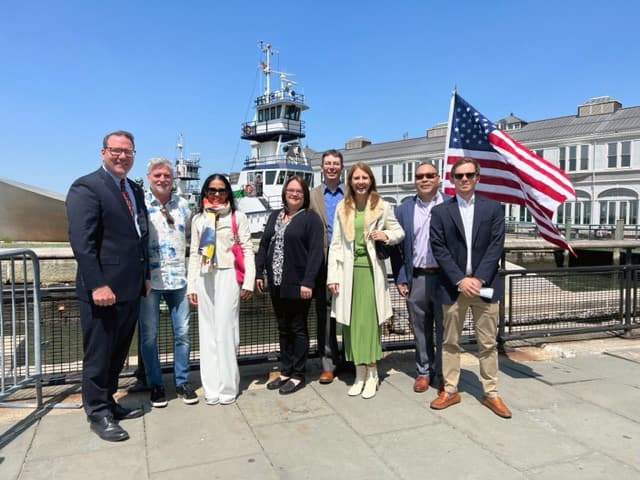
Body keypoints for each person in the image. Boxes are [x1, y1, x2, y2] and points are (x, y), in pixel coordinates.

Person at [66, 130, 149, 442]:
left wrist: (146, 275)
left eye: (128, 151)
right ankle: (97, 411)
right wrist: (98, 284)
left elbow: (141, 236)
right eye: (116, 150)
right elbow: (82, 242)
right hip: (103, 290)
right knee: (99, 352)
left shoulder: (135, 189)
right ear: (103, 153)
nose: (122, 156)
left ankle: (109, 400)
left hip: (130, 287)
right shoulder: (87, 187)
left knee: (118, 351)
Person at [429, 157, 511, 418]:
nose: (464, 179)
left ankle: (491, 393)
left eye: (469, 175)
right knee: (449, 342)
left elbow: (496, 245)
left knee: (487, 342)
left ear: (478, 177)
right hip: (454, 287)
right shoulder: (441, 211)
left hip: (484, 287)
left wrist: (479, 279)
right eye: (459, 176)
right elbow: (438, 248)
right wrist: (460, 279)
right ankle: (450, 390)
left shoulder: (494, 209)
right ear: (452, 180)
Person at [327, 162, 404, 399]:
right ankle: (359, 374)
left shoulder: (382, 206)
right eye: (356, 178)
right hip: (348, 273)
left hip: (371, 272)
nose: (360, 182)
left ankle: (373, 373)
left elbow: (399, 232)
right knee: (350, 326)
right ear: (350, 181)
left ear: (371, 180)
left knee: (368, 325)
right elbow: (336, 244)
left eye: (365, 178)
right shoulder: (343, 207)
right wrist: (332, 277)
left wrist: (385, 235)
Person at [187, 174, 255, 405]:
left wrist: (248, 282)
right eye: (212, 190)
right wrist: (191, 285)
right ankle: (211, 387)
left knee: (226, 331)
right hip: (205, 275)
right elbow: (196, 253)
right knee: (207, 333)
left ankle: (228, 386)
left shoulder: (238, 217)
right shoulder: (199, 219)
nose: (217, 194)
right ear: (205, 192)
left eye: (222, 190)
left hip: (227, 275)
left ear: (228, 192)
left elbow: (247, 249)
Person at [256, 176, 324, 395]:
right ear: (285, 192)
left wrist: (308, 281)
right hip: (276, 282)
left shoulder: (310, 219)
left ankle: (298, 374)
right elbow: (264, 244)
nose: (294, 194)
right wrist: (258, 273)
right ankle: (285, 370)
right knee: (283, 328)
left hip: (297, 283)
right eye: (290, 190)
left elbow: (315, 253)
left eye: (299, 192)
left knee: (298, 328)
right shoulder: (275, 215)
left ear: (304, 196)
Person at [139, 158, 197, 408]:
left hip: (179, 279)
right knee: (149, 336)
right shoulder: (140, 205)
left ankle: (182, 381)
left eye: (166, 175)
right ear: (149, 177)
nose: (162, 179)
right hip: (150, 281)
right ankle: (156, 384)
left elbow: (192, 239)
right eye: (157, 175)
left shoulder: (183, 206)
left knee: (182, 333)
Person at [391, 161, 448, 393]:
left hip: (445, 279)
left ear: (438, 178)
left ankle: (443, 373)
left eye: (429, 175)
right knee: (420, 328)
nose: (424, 179)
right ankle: (423, 371)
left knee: (445, 330)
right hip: (417, 278)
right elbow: (397, 248)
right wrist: (401, 277)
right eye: (419, 176)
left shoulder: (449, 205)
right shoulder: (404, 209)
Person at [309, 149, 344, 384]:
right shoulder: (312, 195)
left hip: (346, 259)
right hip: (321, 259)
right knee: (324, 313)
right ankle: (328, 362)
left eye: (335, 164)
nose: (331, 167)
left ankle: (352, 358)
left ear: (341, 167)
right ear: (322, 167)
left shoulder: (351, 193)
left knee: (350, 310)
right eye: (327, 164)